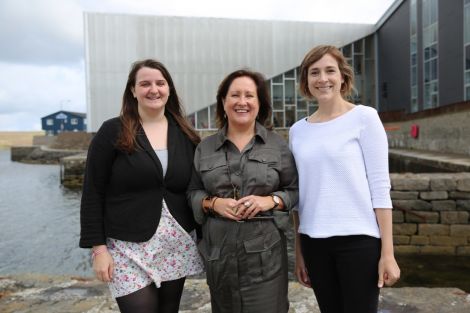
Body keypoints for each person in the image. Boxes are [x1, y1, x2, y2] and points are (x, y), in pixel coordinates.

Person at [79, 59, 204, 313]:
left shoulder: (186, 134)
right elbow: (93, 192)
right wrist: (98, 249)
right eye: (145, 84)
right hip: (126, 247)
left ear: (169, 89)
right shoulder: (112, 131)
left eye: (160, 83)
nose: (153, 89)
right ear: (133, 91)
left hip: (174, 243)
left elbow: (195, 187)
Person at [289, 45, 401, 313]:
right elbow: (299, 198)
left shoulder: (364, 118)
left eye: (330, 70)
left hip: (359, 242)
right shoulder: (297, 131)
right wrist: (300, 252)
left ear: (342, 76)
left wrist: (388, 254)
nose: (322, 78)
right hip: (314, 243)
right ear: (306, 80)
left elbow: (380, 188)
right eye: (314, 72)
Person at [188, 69, 298, 313]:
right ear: (223, 102)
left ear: (259, 104)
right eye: (235, 95)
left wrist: (271, 200)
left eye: (250, 95)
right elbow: (192, 192)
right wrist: (212, 203)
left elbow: (295, 190)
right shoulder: (204, 148)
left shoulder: (277, 145)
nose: (242, 102)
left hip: (265, 261)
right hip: (220, 258)